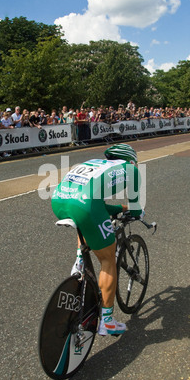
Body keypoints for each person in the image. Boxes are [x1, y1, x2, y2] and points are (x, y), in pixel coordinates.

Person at [51, 143, 144, 337]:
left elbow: (98, 206)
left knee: (85, 223)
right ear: (131, 159)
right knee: (107, 259)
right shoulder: (131, 170)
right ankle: (107, 321)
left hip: (59, 200)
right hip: (85, 206)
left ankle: (79, 261)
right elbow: (136, 209)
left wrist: (121, 208)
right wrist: (133, 210)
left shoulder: (97, 165)